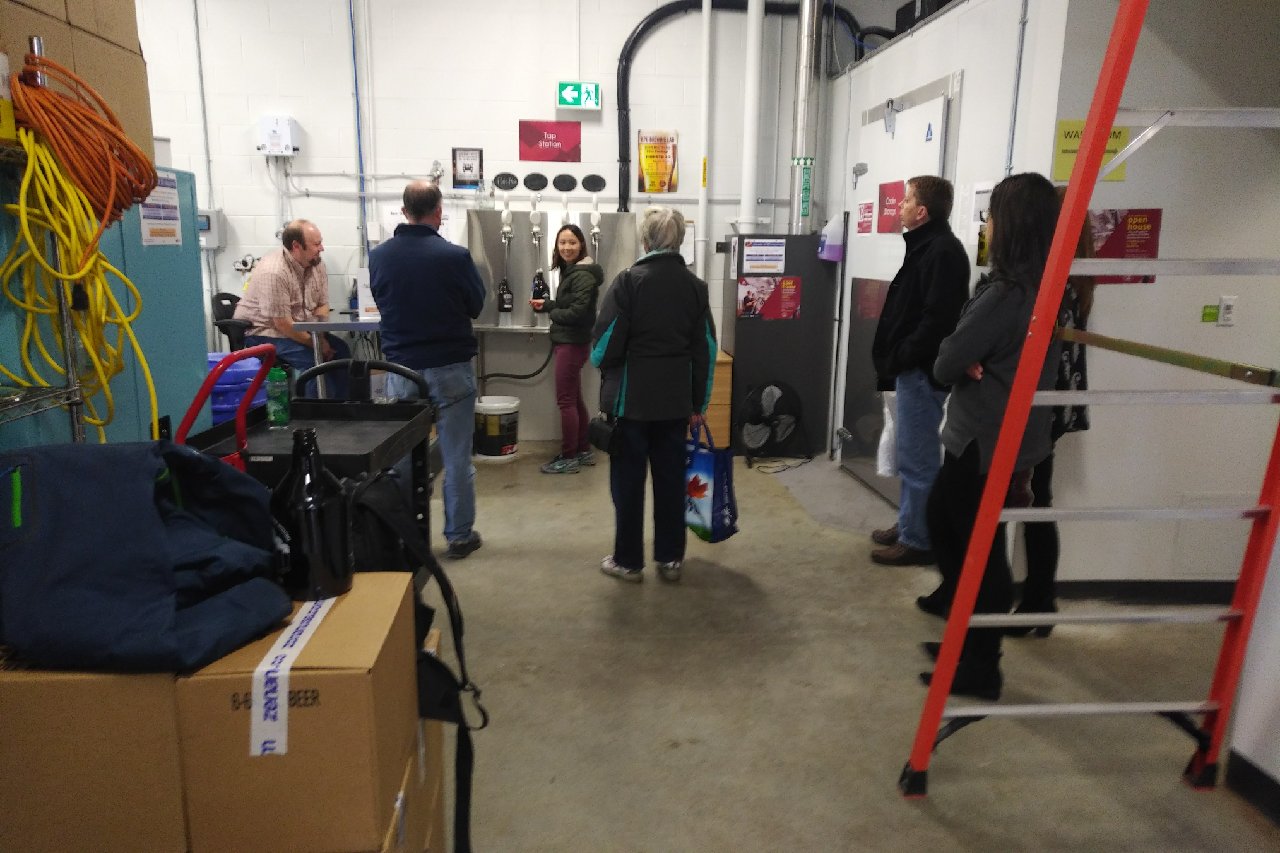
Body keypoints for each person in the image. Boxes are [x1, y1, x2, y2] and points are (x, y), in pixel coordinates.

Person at [917, 172, 1063, 699]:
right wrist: (968, 357)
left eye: (993, 216)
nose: (988, 225)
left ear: (1013, 225)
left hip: (983, 442)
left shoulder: (1005, 295)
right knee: (950, 527)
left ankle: (981, 665)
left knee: (978, 554)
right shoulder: (1045, 289)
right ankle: (967, 640)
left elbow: (946, 360)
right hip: (1004, 438)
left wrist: (965, 358)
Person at [591, 207, 716, 583]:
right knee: (671, 482)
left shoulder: (628, 282)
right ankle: (671, 559)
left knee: (628, 485)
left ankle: (629, 562)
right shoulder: (696, 288)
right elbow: (706, 351)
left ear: (645, 241)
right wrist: (698, 404)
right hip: (675, 405)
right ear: (680, 241)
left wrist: (606, 363)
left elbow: (604, 346)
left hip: (631, 405)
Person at [370, 181, 486, 559]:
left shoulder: (380, 256)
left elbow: (382, 299)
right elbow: (476, 305)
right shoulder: (455, 256)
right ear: (438, 211)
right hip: (450, 366)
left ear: (405, 212)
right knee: (456, 457)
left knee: (404, 457)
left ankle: (408, 538)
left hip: (401, 368)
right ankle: (459, 536)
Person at [1007, 186, 1095, 635]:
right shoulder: (1077, 277)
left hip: (1039, 405)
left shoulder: (1052, 282)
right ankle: (1040, 603)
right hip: (1055, 404)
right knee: (1039, 500)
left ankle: (1036, 603)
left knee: (1028, 500)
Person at [869, 176, 970, 566]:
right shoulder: (927, 247)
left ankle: (918, 540)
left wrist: (903, 356)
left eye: (907, 200)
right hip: (910, 370)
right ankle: (909, 524)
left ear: (922, 211)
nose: (901, 206)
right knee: (909, 455)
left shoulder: (941, 251)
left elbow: (936, 320)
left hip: (921, 372)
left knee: (919, 460)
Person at [235, 219, 350, 398]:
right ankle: (319, 412)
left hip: (299, 330)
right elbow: (282, 323)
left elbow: (322, 306)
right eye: (316, 244)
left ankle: (344, 409)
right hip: (265, 333)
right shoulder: (274, 271)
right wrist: (317, 344)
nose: (322, 248)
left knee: (341, 352)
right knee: (315, 363)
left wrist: (320, 337)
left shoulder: (317, 264)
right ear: (296, 246)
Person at [532, 224, 605, 474]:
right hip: (573, 342)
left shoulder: (582, 275)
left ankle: (569, 456)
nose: (566, 247)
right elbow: (571, 305)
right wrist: (547, 304)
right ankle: (582, 449)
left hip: (572, 344)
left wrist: (551, 312)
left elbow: (578, 312)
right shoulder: (573, 272)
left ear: (581, 244)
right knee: (574, 398)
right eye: (562, 242)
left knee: (566, 401)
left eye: (572, 242)